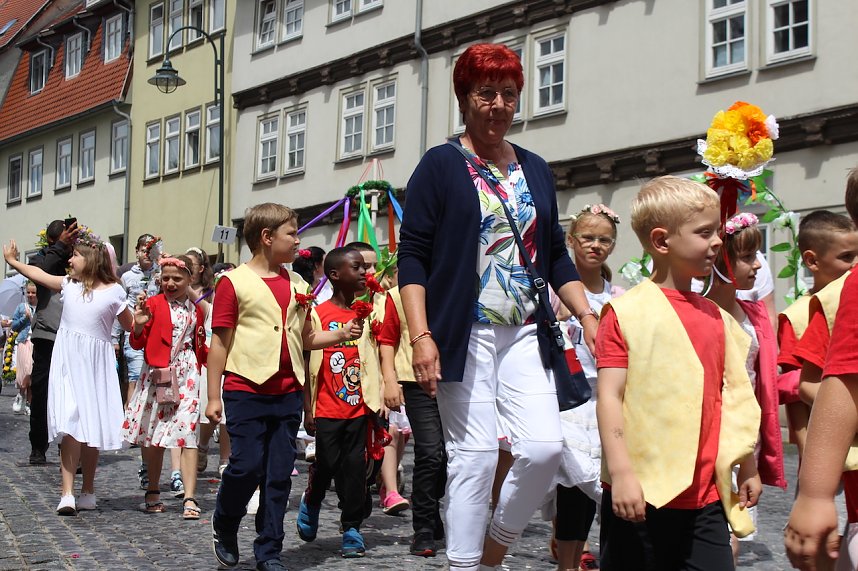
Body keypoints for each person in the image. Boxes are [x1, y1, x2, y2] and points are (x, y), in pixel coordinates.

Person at [397, 43, 598, 571]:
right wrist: (422, 338)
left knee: (544, 449)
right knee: (477, 457)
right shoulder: (440, 165)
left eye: (509, 94)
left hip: (528, 329)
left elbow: (553, 250)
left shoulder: (534, 168)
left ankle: (494, 547)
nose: (499, 105)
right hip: (462, 334)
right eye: (486, 93)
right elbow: (412, 256)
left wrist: (588, 315)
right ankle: (466, 565)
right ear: (464, 98)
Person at [595, 176, 761, 570]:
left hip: (705, 497)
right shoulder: (627, 313)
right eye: (704, 233)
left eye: (717, 231)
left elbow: (732, 397)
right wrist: (621, 473)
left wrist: (747, 463)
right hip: (641, 492)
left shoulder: (718, 319)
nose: (718, 242)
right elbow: (609, 397)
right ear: (661, 241)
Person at [205, 203, 362, 571]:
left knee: (278, 475)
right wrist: (214, 395)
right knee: (245, 466)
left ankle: (269, 550)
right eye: (291, 233)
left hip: (288, 391)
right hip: (246, 387)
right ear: (266, 237)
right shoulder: (233, 282)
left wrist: (339, 333)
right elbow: (220, 344)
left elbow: (305, 338)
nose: (298, 241)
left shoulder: (299, 284)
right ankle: (226, 519)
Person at [3, 233, 133, 514]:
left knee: (91, 426)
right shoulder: (69, 285)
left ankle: (88, 489)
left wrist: (144, 317)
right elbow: (37, 273)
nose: (70, 260)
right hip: (69, 362)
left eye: (75, 255)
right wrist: (13, 261)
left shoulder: (114, 292)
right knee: (71, 424)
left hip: (96, 364)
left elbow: (132, 325)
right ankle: (67, 493)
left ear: (91, 259)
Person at [784, 168, 858, 571]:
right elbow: (828, 383)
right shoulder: (830, 301)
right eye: (846, 256)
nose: (851, 265)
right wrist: (813, 493)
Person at [704, 212, 786, 563]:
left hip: (745, 431)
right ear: (722, 259)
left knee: (733, 525)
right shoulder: (700, 312)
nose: (757, 266)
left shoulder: (753, 315)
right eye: (748, 257)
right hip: (708, 432)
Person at [546, 204, 623, 571]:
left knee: (598, 479)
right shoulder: (553, 292)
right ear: (571, 240)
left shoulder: (617, 296)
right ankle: (568, 558)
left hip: (603, 395)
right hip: (564, 395)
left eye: (604, 240)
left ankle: (590, 550)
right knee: (574, 479)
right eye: (588, 238)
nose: (595, 245)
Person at [296, 246, 382, 558]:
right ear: (335, 275)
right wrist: (308, 407)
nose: (364, 273)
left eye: (365, 268)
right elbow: (307, 363)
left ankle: (351, 528)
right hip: (326, 407)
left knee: (355, 469)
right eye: (356, 268)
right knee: (327, 463)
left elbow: (375, 357)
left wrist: (381, 394)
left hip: (359, 407)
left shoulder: (367, 313)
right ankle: (313, 499)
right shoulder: (318, 315)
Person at [122, 256, 208, 520]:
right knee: (156, 435)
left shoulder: (197, 309)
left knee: (188, 433)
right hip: (158, 374)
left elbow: (200, 342)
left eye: (177, 279)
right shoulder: (153, 304)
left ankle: (190, 497)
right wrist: (137, 325)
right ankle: (153, 489)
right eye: (166, 278)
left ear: (190, 280)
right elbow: (137, 344)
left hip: (187, 375)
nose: (170, 283)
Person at [777, 211, 858, 460]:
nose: (855, 264)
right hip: (832, 450)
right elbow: (795, 398)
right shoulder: (797, 316)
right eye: (847, 257)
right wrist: (805, 451)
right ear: (812, 261)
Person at [27, 220, 78, 465]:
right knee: (41, 390)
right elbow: (44, 273)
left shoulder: (79, 258)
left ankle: (71, 447)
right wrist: (59, 247)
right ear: (52, 240)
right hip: (47, 333)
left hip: (75, 333)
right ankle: (38, 445)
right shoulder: (40, 259)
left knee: (74, 393)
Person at [11, 281, 37, 414]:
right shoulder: (22, 307)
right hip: (23, 341)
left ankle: (29, 402)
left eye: (33, 292)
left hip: (36, 342)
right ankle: (21, 394)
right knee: (26, 370)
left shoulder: (40, 308)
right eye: (28, 292)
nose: (30, 295)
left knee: (33, 373)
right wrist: (24, 319)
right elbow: (13, 325)